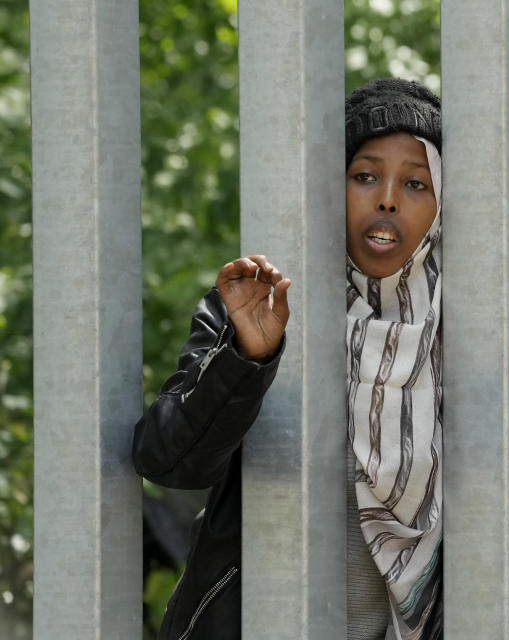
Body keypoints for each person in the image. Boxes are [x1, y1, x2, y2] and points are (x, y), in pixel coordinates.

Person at [132, 78, 444, 640]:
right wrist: (249, 356)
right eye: (365, 175)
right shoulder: (255, 305)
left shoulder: (473, 329)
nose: (388, 198)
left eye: (416, 182)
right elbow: (168, 461)